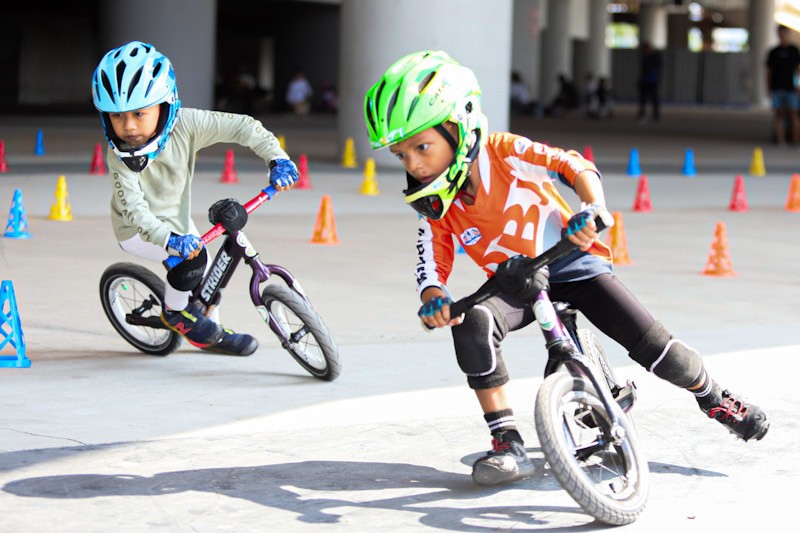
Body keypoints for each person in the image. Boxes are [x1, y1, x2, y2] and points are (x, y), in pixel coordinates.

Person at [364, 50, 769, 486]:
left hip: (571, 260)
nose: (415, 165)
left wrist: (590, 208)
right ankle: (506, 443)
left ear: (458, 126)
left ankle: (712, 396)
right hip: (516, 282)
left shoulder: (502, 151)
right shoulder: (434, 203)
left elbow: (571, 164)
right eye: (401, 156)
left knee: (652, 347)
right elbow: (431, 259)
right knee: (472, 323)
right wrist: (434, 296)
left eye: (421, 147)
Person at [92, 41, 298, 356]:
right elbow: (134, 211)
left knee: (207, 278)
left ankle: (210, 330)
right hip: (137, 229)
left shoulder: (187, 124)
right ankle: (175, 313)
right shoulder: (119, 156)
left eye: (138, 113)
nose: (128, 126)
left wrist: (277, 158)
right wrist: (169, 239)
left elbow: (243, 127)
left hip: (176, 216)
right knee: (193, 262)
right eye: (117, 117)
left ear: (165, 105)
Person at [766, 25, 800, 146]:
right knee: (778, 114)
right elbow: (769, 72)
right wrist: (768, 88)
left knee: (793, 114)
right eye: (780, 33)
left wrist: (798, 85)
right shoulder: (773, 52)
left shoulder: (794, 50)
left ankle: (795, 141)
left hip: (792, 88)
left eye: (785, 33)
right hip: (777, 87)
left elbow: (798, 70)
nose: (782, 35)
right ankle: (781, 141)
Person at [637, 42, 662, 123]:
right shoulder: (645, 57)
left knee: (654, 99)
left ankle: (655, 115)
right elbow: (643, 70)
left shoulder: (655, 58)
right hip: (645, 81)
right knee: (643, 99)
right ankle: (642, 114)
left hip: (653, 81)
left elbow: (657, 70)